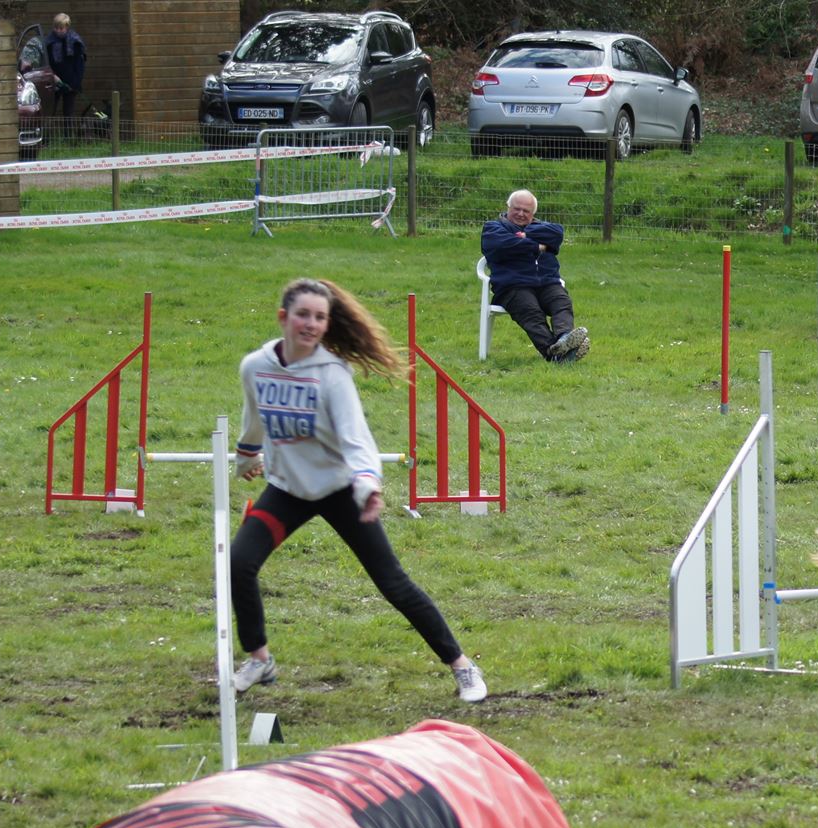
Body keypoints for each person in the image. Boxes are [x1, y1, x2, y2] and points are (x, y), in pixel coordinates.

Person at [230, 278, 487, 703]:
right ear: (283, 318)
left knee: (393, 583)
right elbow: (254, 416)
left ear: (328, 324)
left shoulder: (332, 375)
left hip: (340, 489)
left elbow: (355, 439)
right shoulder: (254, 366)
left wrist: (368, 486)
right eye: (303, 315)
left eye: (319, 317)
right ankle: (259, 658)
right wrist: (246, 457)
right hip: (287, 490)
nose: (311, 325)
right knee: (239, 562)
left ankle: (462, 666)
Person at [481, 189, 591, 363]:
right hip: (513, 286)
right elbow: (503, 245)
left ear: (533, 214)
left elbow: (557, 233)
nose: (520, 214)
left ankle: (564, 339)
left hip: (547, 283)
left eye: (526, 211)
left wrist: (526, 235)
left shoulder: (543, 227)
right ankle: (555, 353)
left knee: (561, 302)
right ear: (508, 207)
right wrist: (538, 246)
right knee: (531, 313)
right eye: (517, 208)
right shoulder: (493, 228)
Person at [43, 13, 87, 138]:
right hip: (53, 80)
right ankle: (46, 138)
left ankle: (68, 138)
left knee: (68, 112)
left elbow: (80, 65)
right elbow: (47, 62)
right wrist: (53, 78)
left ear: (67, 27)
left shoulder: (75, 41)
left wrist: (75, 83)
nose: (58, 31)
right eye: (56, 28)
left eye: (61, 28)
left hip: (71, 81)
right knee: (50, 110)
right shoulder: (49, 42)